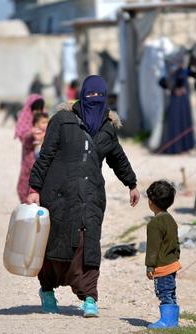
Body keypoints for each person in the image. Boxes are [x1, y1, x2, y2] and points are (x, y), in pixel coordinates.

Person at [27, 75, 141, 318]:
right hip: (58, 193)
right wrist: (34, 189)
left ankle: (89, 297)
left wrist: (131, 183)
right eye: (90, 95)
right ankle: (47, 291)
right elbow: (45, 156)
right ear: (82, 95)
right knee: (54, 244)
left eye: (99, 97)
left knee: (88, 244)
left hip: (91, 197)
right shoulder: (61, 120)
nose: (94, 100)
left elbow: (117, 158)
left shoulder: (108, 128)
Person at [145, 180, 180, 329]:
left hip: (162, 266)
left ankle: (167, 322)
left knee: (164, 293)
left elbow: (153, 247)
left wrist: (149, 266)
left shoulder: (154, 223)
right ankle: (172, 321)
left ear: (151, 202)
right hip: (172, 264)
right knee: (170, 293)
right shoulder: (171, 220)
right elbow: (176, 243)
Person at [158, 62, 195, 154]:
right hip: (176, 101)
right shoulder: (172, 70)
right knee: (176, 123)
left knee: (182, 122)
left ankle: (182, 148)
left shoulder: (183, 70)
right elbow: (162, 82)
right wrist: (173, 88)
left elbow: (191, 75)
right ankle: (175, 148)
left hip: (181, 101)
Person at [15, 95, 45, 203]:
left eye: (40, 109)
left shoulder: (43, 119)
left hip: (40, 156)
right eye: (35, 109)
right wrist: (31, 134)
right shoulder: (25, 118)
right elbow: (22, 135)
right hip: (27, 156)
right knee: (23, 184)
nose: (37, 111)